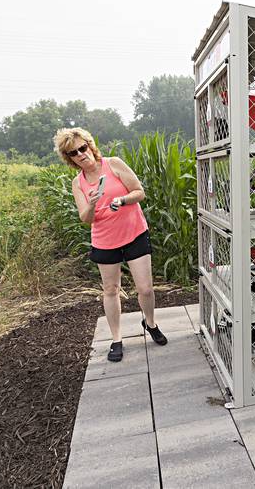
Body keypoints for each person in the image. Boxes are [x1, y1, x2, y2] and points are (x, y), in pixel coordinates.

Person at [53, 127, 167, 362]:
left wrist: (121, 200)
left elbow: (139, 192)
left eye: (82, 147)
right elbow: (85, 218)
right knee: (111, 290)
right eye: (74, 153)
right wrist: (93, 203)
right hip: (105, 241)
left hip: (134, 232)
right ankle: (116, 339)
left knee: (145, 288)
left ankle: (151, 323)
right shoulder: (78, 183)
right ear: (70, 159)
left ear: (90, 144)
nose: (81, 154)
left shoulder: (113, 164)